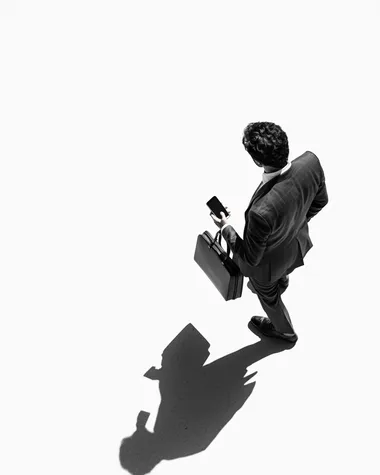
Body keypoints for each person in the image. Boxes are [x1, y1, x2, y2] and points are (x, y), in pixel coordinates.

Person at [210, 122, 328, 343]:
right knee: (280, 278)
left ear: (257, 161)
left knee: (269, 298)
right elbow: (322, 200)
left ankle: (285, 332)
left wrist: (225, 227)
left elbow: (251, 258)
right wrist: (295, 222)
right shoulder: (310, 162)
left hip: (268, 266)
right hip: (296, 244)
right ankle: (281, 282)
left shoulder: (261, 212)